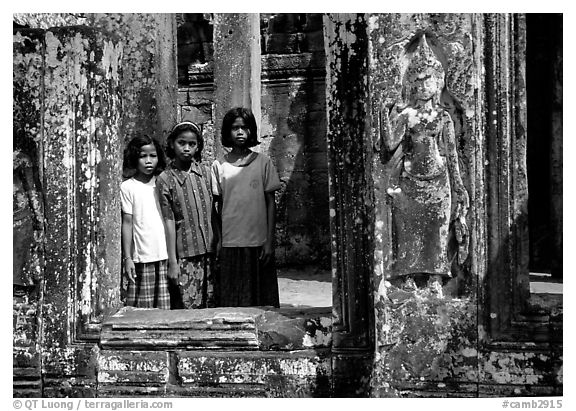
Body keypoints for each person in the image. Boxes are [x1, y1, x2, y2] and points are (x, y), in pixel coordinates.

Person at [381, 34, 469, 288]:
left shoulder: (443, 117)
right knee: (407, 231)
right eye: (416, 81)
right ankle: (407, 275)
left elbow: (451, 153)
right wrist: (383, 113)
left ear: (438, 82)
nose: (422, 86)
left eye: (427, 80)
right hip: (408, 180)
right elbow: (390, 144)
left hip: (438, 180)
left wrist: (459, 186)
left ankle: (435, 276)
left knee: (437, 231)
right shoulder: (406, 115)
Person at [212, 107, 282, 307]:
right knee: (233, 299)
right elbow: (216, 206)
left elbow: (270, 203)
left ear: (252, 131)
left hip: (258, 241)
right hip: (231, 242)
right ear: (227, 132)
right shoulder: (219, 166)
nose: (240, 132)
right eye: (235, 128)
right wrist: (219, 239)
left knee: (262, 300)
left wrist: (269, 241)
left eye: (244, 127)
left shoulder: (263, 163)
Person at [156, 121, 216, 309]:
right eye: (182, 143)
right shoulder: (165, 179)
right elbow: (169, 221)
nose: (187, 148)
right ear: (172, 144)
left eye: (192, 144)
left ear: (198, 146)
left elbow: (215, 211)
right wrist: (172, 261)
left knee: (213, 306)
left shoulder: (206, 173)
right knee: (189, 308)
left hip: (211, 252)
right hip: (186, 255)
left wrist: (220, 242)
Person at [120, 135, 170, 309]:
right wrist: (128, 258)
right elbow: (127, 223)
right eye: (143, 156)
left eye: (153, 156)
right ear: (134, 158)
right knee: (142, 309)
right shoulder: (128, 187)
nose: (148, 161)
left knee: (164, 311)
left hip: (164, 254)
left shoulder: (163, 183)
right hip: (142, 256)